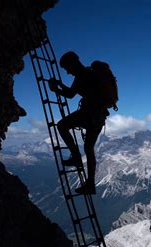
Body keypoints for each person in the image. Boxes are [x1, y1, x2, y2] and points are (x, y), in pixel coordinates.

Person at [48, 51, 108, 195]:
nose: (68, 72)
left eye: (67, 68)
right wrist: (60, 85)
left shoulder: (82, 75)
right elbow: (73, 91)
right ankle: (91, 184)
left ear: (72, 64)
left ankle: (75, 157)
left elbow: (70, 94)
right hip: (99, 117)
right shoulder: (88, 73)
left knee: (62, 126)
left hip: (88, 114)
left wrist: (55, 88)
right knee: (89, 149)